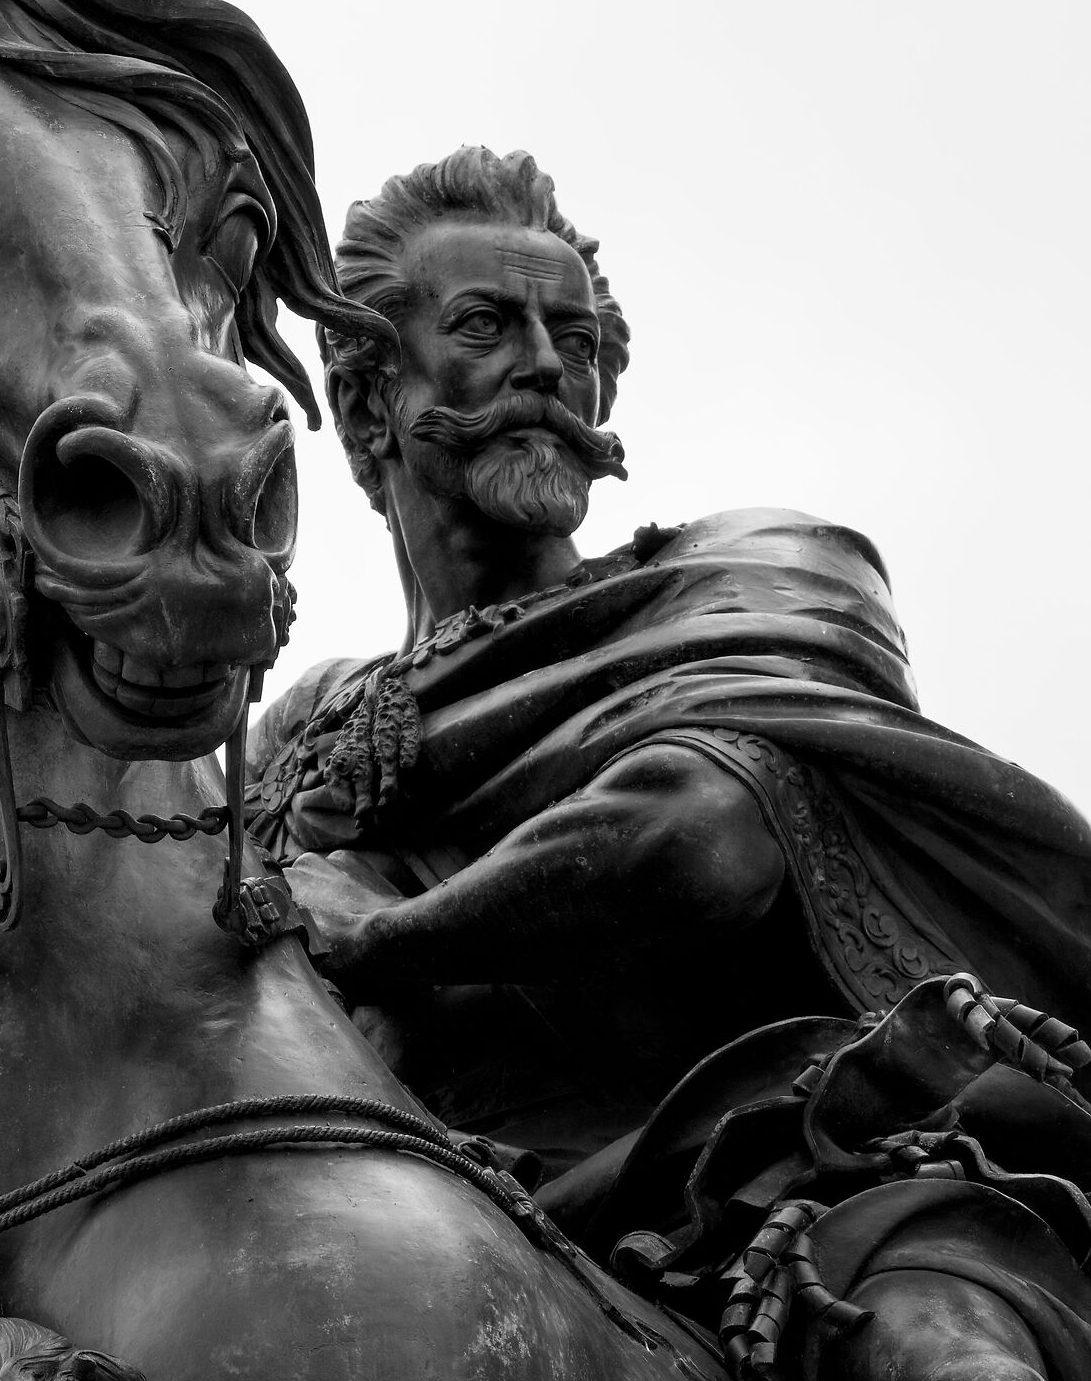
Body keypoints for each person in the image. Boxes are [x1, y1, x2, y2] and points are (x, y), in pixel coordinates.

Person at [249, 146, 1091, 1375]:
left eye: (575, 339)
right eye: (486, 324)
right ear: (372, 399)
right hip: (409, 1208)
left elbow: (699, 837)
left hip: (781, 1170)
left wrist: (374, 937)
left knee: (933, 1356)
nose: (548, 365)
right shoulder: (304, 731)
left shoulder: (755, 572)